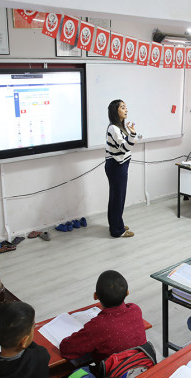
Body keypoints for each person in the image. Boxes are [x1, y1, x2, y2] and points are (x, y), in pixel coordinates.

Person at [60, 270, 146, 363]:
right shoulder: (135, 309)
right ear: (127, 293)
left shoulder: (97, 326)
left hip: (112, 375)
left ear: (95, 296)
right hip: (140, 367)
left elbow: (66, 349)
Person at [105, 99, 141, 238]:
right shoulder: (114, 128)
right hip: (116, 166)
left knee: (117, 197)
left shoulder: (120, 126)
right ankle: (117, 230)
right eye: (123, 107)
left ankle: (116, 223)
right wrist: (132, 135)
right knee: (117, 198)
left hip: (120, 165)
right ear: (116, 111)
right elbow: (125, 146)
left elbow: (130, 142)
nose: (126, 110)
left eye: (126, 107)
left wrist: (132, 134)